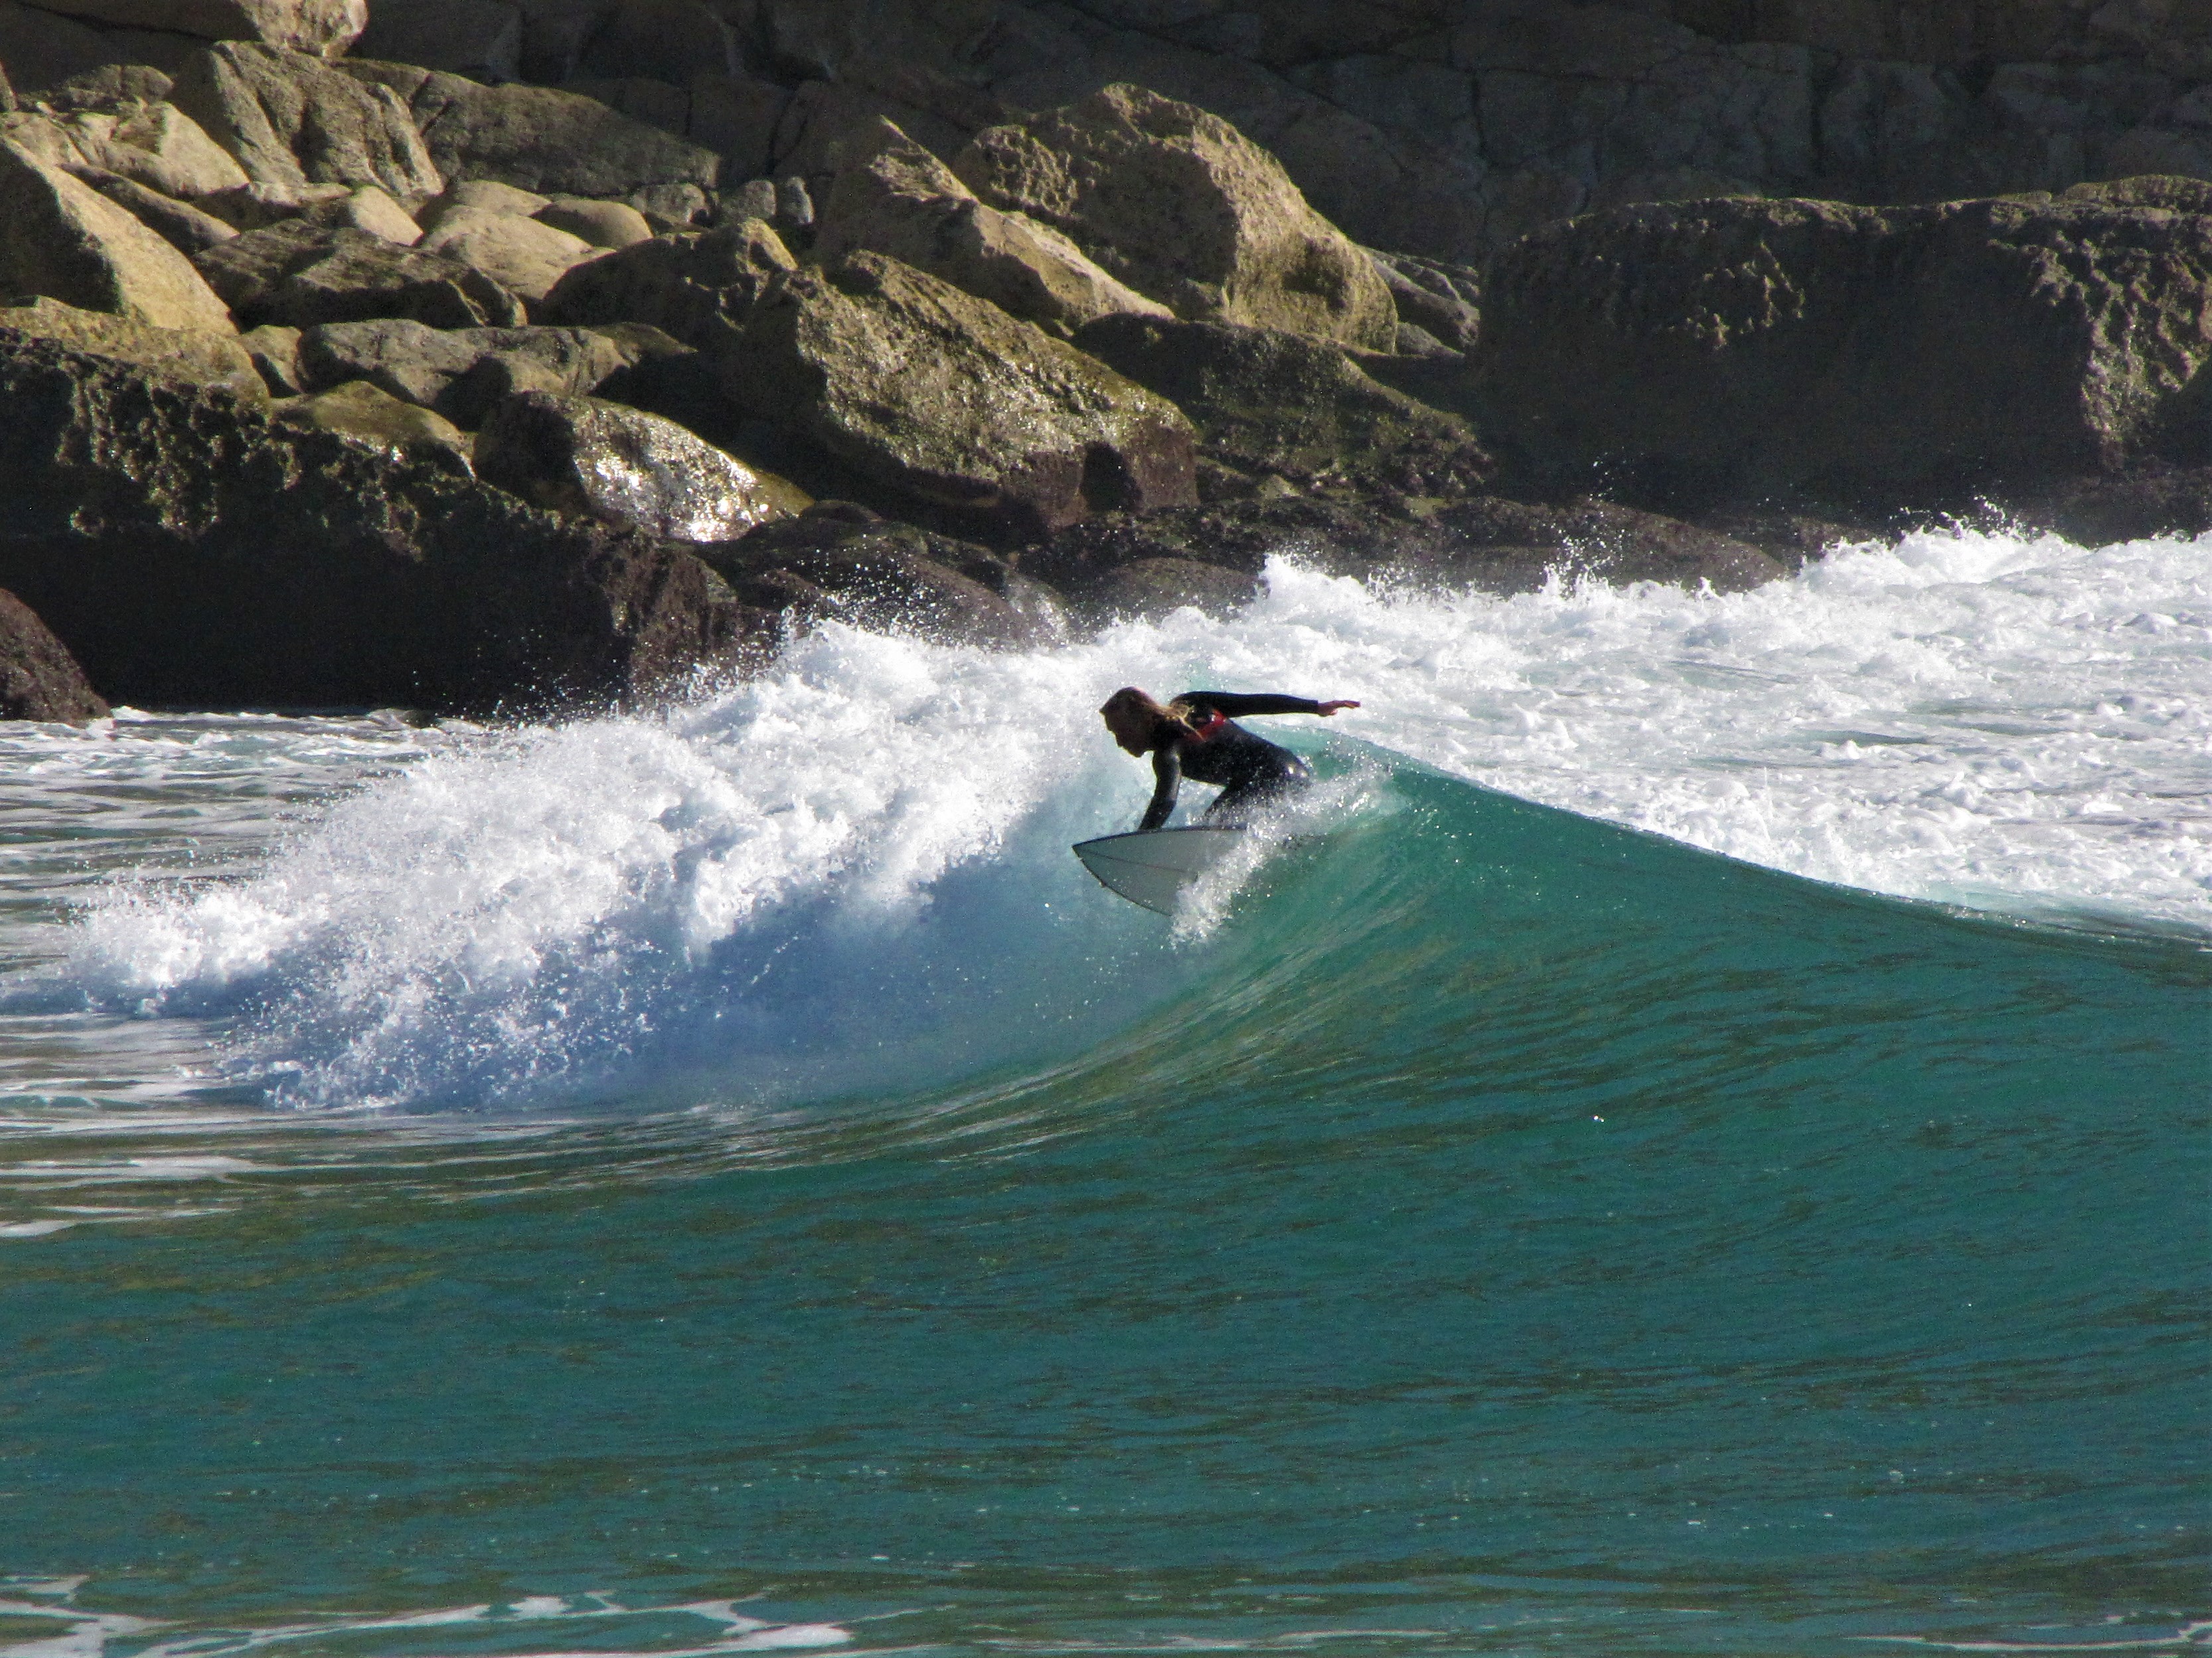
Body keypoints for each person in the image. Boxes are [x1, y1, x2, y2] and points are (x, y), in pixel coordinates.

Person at [1099, 686, 1360, 832]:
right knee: (1213, 826)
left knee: (1210, 831)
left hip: (1268, 780)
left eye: (1119, 732)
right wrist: (1315, 707)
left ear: (1141, 722)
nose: (1119, 741)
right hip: (1291, 769)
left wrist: (1141, 839)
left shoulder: (1168, 751)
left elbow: (1165, 800)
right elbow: (1255, 703)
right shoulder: (1193, 702)